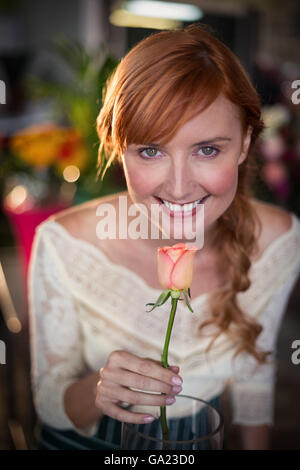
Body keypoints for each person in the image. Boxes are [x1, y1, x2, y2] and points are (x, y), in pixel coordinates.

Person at [28, 23, 300, 450]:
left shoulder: (280, 241)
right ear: (120, 147)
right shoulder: (64, 243)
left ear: (245, 143)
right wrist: (99, 390)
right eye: (151, 150)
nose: (177, 187)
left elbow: (254, 375)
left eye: (207, 149)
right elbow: (47, 402)